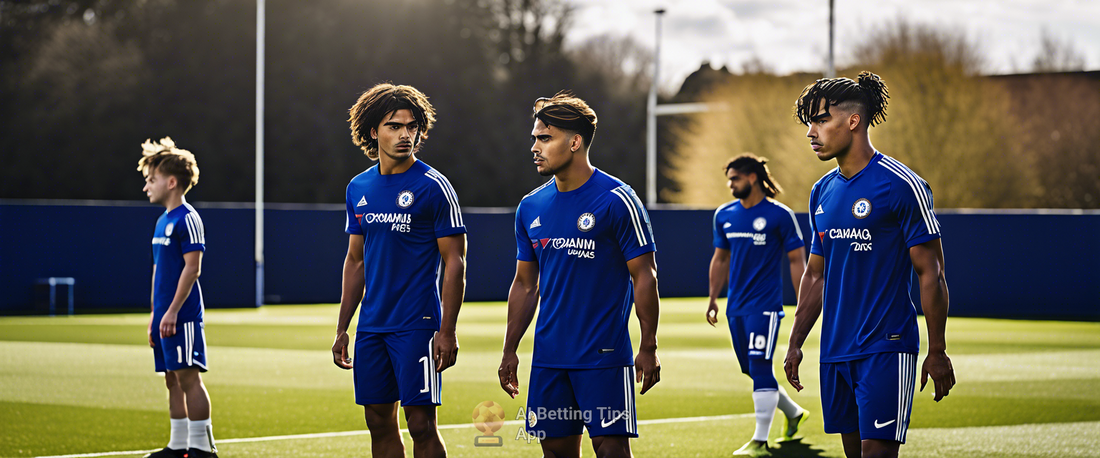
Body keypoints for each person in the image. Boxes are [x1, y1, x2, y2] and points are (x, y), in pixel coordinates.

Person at [783, 71, 956, 458]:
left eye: (821, 120)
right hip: (835, 350)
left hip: (885, 347)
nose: (811, 132)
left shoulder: (901, 185)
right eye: (809, 123)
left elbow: (932, 271)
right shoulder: (821, 192)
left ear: (853, 121)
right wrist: (795, 342)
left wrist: (938, 348)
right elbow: (816, 274)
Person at [498, 91, 661, 458]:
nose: (535, 147)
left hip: (602, 356)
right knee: (555, 452)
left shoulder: (618, 199)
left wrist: (647, 346)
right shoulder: (530, 207)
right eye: (535, 138)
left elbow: (645, 275)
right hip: (549, 357)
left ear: (574, 142)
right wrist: (510, 349)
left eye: (545, 138)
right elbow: (525, 284)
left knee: (611, 450)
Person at [331, 83, 467, 458]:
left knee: (421, 425)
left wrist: (447, 329)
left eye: (412, 127)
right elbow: (355, 260)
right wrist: (343, 327)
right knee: (378, 422)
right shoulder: (358, 187)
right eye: (394, 126)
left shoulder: (434, 187)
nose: (405, 134)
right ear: (373, 131)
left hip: (417, 323)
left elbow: (454, 262)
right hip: (372, 326)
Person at [706, 154, 810, 456]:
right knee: (752, 369)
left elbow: (796, 261)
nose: (730, 184)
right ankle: (793, 413)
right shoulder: (724, 215)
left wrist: (803, 302)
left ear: (752, 178)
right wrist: (713, 297)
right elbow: (720, 258)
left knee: (761, 365)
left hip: (764, 306)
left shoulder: (780, 215)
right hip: (735, 307)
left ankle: (760, 441)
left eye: (735, 178)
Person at [137, 137, 218, 458]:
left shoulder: (188, 218)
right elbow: (160, 271)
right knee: (172, 379)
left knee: (188, 378)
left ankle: (203, 449)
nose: (146, 187)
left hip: (182, 316)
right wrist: (155, 316)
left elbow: (192, 269)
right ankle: (178, 446)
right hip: (165, 316)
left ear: (171, 182)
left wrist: (171, 312)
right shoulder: (163, 220)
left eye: (151, 180)